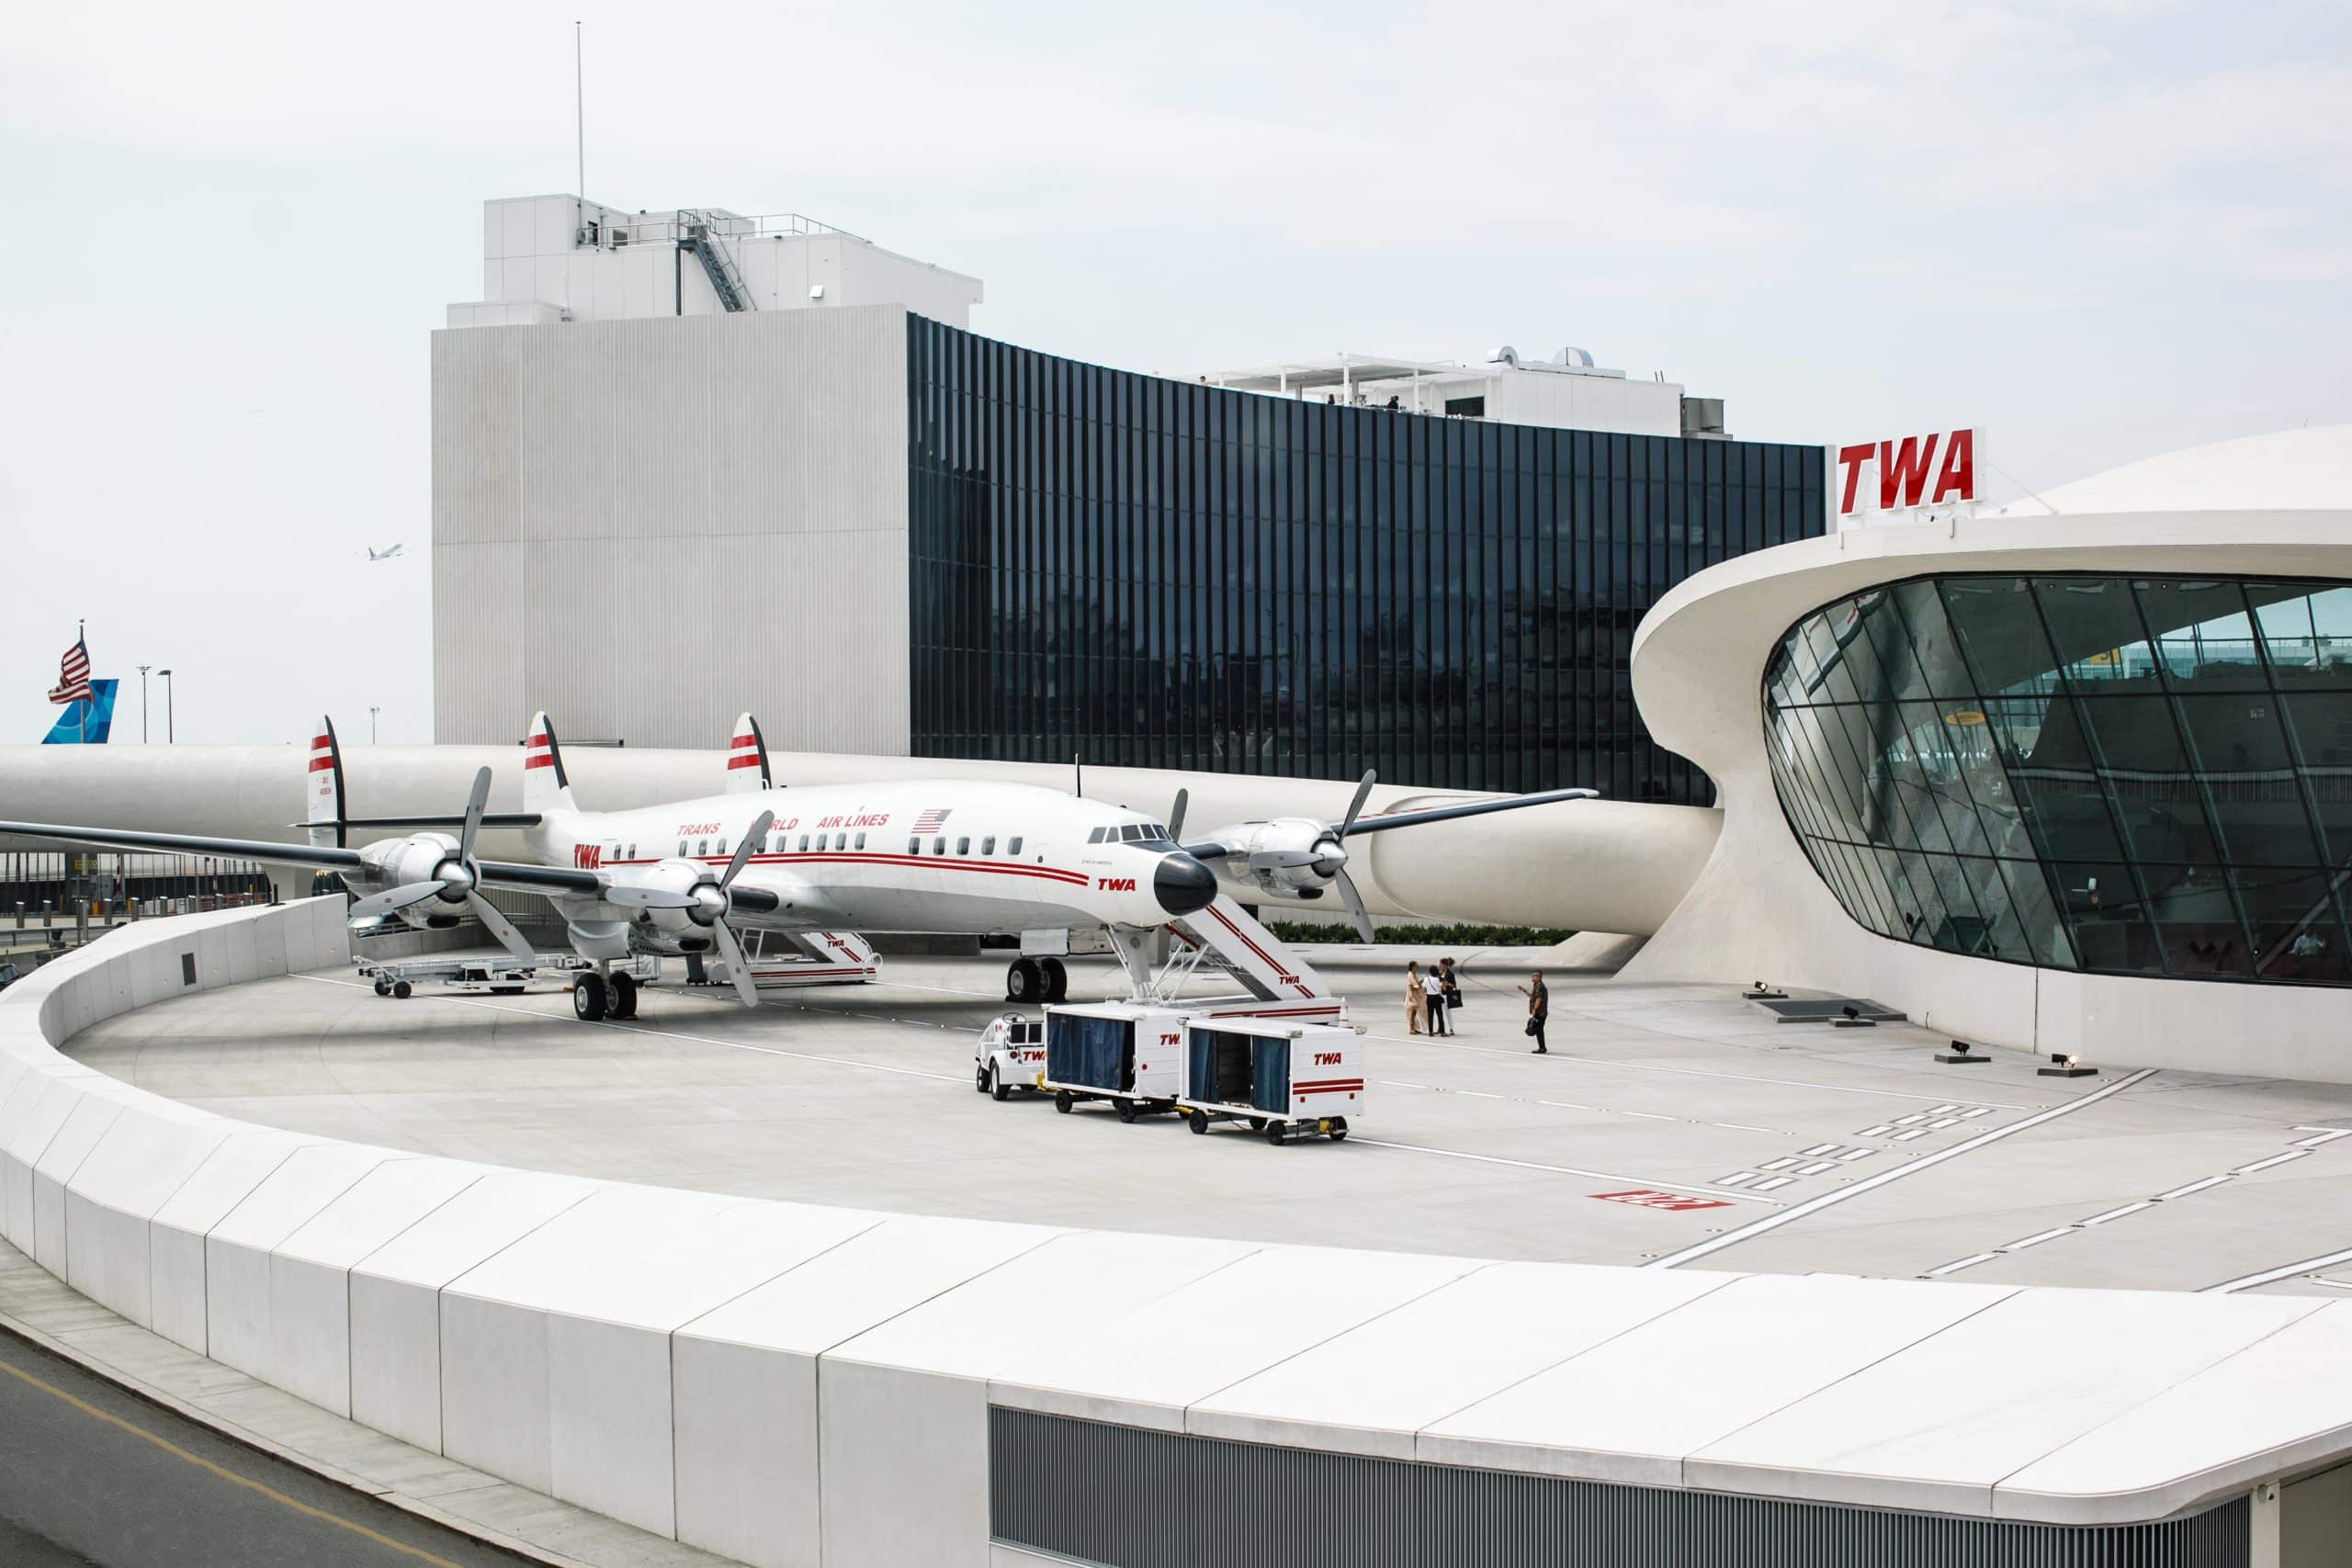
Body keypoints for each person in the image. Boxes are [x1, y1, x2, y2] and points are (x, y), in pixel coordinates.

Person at [1517, 969, 1549, 1054]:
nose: (1532, 977)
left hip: (1540, 1013)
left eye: (1534, 976)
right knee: (1538, 1030)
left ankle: (1542, 1048)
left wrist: (1534, 1011)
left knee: (1538, 1030)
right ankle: (1542, 1047)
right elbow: (1533, 997)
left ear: (1539, 977)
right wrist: (1524, 990)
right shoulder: (1536, 985)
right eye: (1532, 975)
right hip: (1539, 1012)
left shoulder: (1539, 986)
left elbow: (1538, 999)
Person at [1421, 960, 1449, 1035]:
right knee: (1440, 1015)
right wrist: (1444, 983)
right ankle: (1442, 1032)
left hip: (1429, 998)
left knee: (1430, 1015)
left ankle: (1430, 1032)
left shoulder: (1426, 979)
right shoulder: (1437, 979)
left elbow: (1423, 990)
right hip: (1437, 998)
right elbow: (1444, 988)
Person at [1405, 960, 1427, 1035]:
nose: (1417, 967)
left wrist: (1420, 983)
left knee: (1415, 1012)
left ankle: (1415, 1028)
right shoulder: (1410, 975)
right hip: (1412, 996)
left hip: (1415, 996)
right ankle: (1411, 1029)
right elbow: (1411, 987)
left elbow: (1416, 984)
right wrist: (1420, 984)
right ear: (1412, 967)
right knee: (1412, 1013)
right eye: (1416, 966)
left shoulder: (1414, 974)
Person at [1439, 956, 1463, 1021]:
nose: (1439, 966)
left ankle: (1451, 1028)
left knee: (1448, 1013)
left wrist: (1447, 984)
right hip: (1439, 994)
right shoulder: (1440, 973)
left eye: (1441, 964)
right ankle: (1441, 1027)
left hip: (1447, 995)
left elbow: (1454, 985)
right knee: (1439, 1012)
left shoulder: (1450, 974)